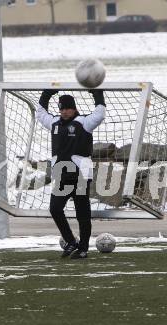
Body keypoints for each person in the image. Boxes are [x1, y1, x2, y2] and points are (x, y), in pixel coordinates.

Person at [36, 89, 106, 259]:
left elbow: (100, 114)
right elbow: (40, 114)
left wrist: (97, 93)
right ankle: (71, 242)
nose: (64, 112)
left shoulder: (84, 122)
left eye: (67, 108)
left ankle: (83, 248)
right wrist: (46, 95)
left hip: (81, 176)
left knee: (82, 213)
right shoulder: (54, 123)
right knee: (55, 209)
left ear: (74, 108)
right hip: (61, 175)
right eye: (61, 109)